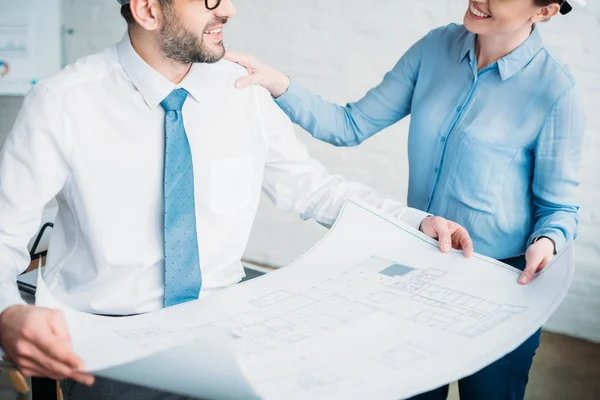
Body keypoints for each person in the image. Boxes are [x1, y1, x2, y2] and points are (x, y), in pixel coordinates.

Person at [0, 0, 474, 398]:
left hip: (222, 328)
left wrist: (411, 222)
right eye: (208, 0)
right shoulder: (64, 103)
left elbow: (314, 188)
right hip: (109, 341)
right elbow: (4, 233)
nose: (228, 9)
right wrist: (8, 313)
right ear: (147, 9)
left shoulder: (240, 89)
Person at [224, 0, 586, 399]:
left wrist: (546, 243)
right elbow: (349, 125)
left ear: (546, 11)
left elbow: (558, 209)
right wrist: (277, 82)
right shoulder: (436, 47)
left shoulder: (556, 90)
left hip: (502, 287)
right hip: (423, 271)